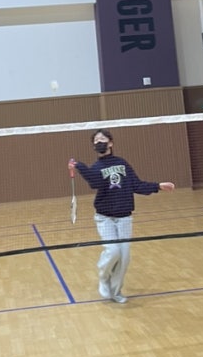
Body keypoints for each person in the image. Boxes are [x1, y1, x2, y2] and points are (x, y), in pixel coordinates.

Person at [68, 129, 175, 304]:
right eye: (96, 140)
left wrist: (158, 186)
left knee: (124, 257)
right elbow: (94, 182)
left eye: (102, 139)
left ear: (110, 143)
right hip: (105, 217)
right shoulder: (96, 167)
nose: (99, 142)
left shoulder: (122, 164)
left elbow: (137, 185)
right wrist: (79, 166)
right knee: (113, 251)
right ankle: (103, 278)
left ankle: (116, 291)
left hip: (124, 217)